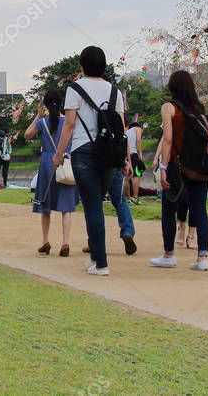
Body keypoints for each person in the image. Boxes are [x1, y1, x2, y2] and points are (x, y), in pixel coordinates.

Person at [53, 45, 133, 276]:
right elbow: (121, 128)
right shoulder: (115, 91)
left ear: (82, 66)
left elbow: (68, 125)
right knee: (97, 203)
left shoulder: (74, 88)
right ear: (104, 65)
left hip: (84, 151)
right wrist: (125, 158)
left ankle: (101, 263)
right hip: (110, 153)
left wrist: (58, 155)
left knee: (93, 208)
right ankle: (97, 259)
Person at [150, 70, 208, 271]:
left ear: (172, 87)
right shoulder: (199, 108)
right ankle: (202, 258)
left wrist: (163, 166)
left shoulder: (168, 107)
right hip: (199, 166)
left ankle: (169, 254)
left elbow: (168, 139)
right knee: (200, 209)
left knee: (169, 209)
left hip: (176, 166)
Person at [25, 89, 78, 257]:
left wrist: (38, 117)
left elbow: (27, 135)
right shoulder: (70, 122)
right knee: (66, 207)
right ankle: (65, 242)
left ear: (46, 105)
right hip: (65, 162)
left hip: (47, 163)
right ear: (62, 103)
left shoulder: (43, 122)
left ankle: (45, 241)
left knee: (45, 206)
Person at [125, 115, 145, 205]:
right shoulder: (138, 129)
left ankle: (128, 199)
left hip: (126, 156)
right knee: (137, 175)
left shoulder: (126, 131)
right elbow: (139, 140)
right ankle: (135, 197)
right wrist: (140, 155)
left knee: (127, 177)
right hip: (134, 155)